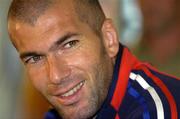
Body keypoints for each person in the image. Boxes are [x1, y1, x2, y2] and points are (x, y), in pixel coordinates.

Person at [7, 0, 180, 119]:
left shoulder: (152, 108)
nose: (56, 76)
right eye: (35, 58)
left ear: (109, 39)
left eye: (69, 44)